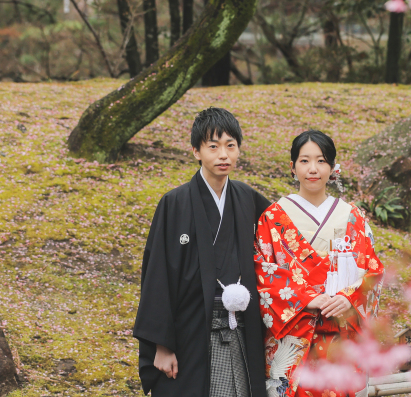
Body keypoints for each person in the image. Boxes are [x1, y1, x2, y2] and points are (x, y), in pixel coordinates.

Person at [134, 107, 271, 397]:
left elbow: (281, 248)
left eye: (230, 146)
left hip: (241, 330)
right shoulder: (174, 204)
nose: (223, 155)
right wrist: (161, 345)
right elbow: (157, 275)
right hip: (191, 334)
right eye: (213, 146)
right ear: (196, 151)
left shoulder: (248, 199)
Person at [254, 130, 384, 397]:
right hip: (293, 336)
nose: (313, 169)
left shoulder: (352, 216)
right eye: (304, 161)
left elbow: (372, 269)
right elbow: (262, 272)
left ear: (333, 168)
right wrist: (305, 298)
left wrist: (349, 298)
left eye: (321, 161)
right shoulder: (272, 217)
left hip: (342, 335)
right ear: (292, 167)